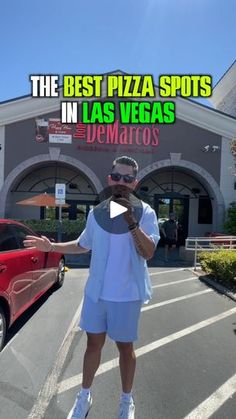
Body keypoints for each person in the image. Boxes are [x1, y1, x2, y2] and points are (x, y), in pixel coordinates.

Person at [24, 156, 160, 419]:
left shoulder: (146, 213)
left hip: (127, 295)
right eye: (117, 177)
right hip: (97, 294)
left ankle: (126, 401)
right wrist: (51, 247)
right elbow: (83, 244)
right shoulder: (97, 213)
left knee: (125, 350)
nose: (122, 182)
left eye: (128, 178)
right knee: (92, 346)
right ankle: (84, 396)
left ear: (135, 183)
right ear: (109, 179)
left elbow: (149, 252)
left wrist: (131, 221)